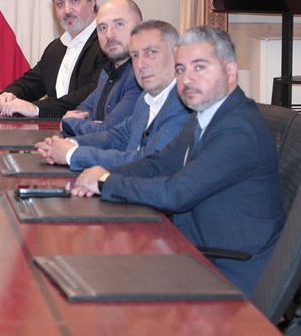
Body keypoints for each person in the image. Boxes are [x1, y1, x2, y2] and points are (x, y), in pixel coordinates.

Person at [70, 27, 284, 295]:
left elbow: (175, 193)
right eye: (181, 69)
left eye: (200, 67)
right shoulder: (204, 114)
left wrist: (105, 182)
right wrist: (100, 174)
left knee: (102, 282)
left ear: (230, 72)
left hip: (229, 271)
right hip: (194, 249)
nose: (187, 80)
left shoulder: (238, 130)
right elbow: (158, 164)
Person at [36, 20, 191, 171]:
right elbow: (118, 136)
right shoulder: (146, 99)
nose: (140, 64)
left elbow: (147, 162)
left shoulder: (184, 105)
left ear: (177, 54)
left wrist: (72, 154)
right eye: (135, 55)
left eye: (150, 53)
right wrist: (70, 144)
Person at [0, 0, 107, 118]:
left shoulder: (106, 44)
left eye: (74, 1)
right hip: (54, 127)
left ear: (92, 2)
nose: (67, 10)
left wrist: (36, 109)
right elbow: (31, 83)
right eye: (60, 4)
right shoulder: (56, 48)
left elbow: (94, 94)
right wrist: (8, 95)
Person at [59, 0, 143, 136]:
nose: (109, 35)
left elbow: (109, 132)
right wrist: (93, 124)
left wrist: (71, 123)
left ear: (140, 28)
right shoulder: (107, 71)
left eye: (119, 24)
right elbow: (81, 110)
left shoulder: (142, 76)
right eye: (102, 28)